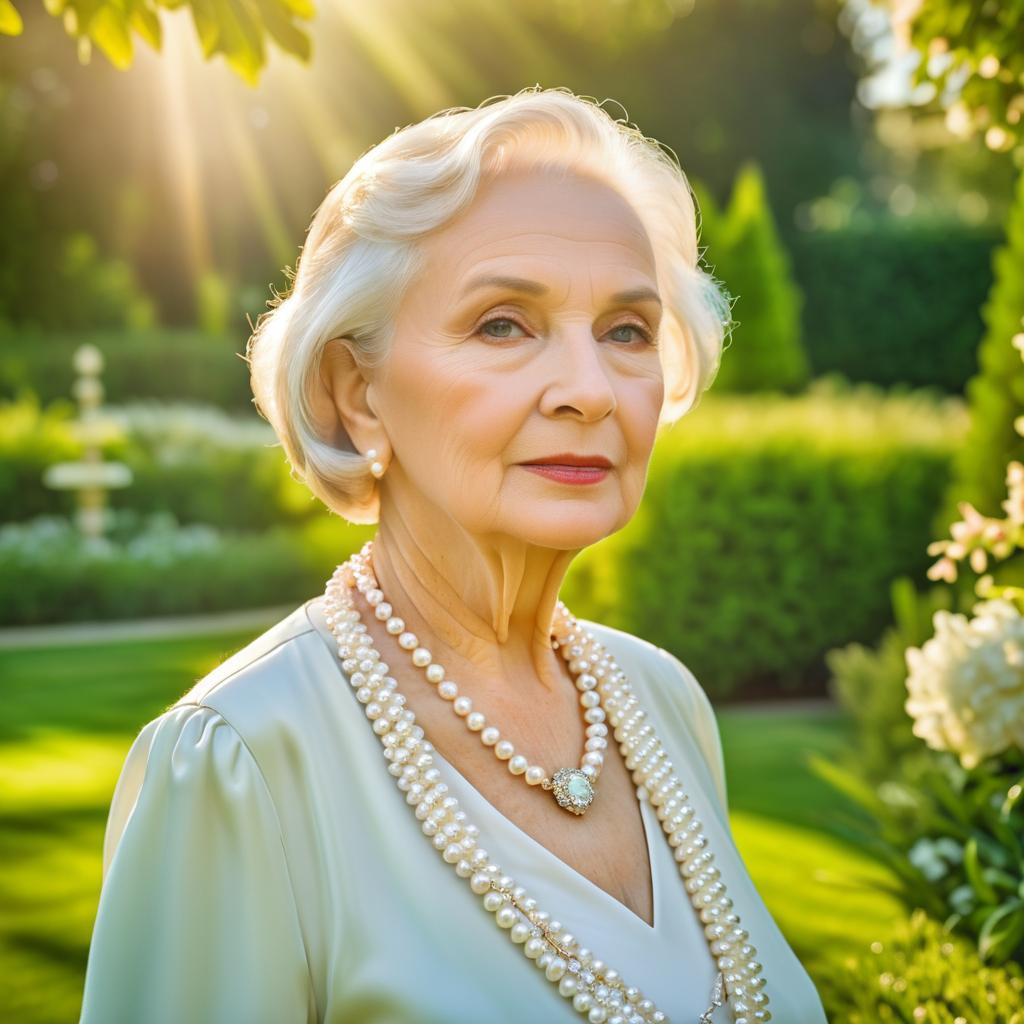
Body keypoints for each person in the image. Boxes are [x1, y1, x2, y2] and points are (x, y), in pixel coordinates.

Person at [79, 86, 828, 1024]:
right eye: (503, 324)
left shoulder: (664, 703)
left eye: (626, 332)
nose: (590, 390)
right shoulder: (242, 761)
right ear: (358, 393)